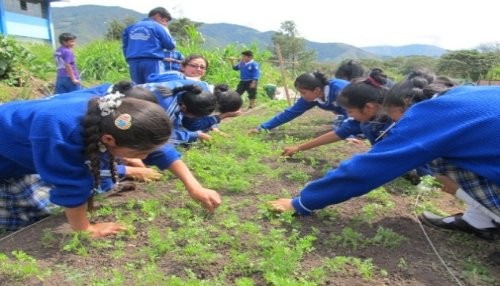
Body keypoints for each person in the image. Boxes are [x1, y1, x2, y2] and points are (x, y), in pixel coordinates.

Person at [269, 75, 500, 245]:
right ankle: (479, 219)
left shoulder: (427, 115)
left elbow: (369, 168)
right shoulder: (461, 94)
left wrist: (302, 202)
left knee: (438, 160)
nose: (398, 124)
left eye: (396, 118)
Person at [281, 69, 391, 157]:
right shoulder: (362, 120)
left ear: (368, 107)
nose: (348, 115)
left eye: (350, 111)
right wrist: (299, 148)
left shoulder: (397, 123)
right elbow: (338, 134)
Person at [249, 71, 349, 133]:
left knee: (343, 128)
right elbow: (290, 113)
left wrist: (350, 133)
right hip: (345, 112)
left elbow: (351, 111)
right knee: (339, 125)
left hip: (359, 110)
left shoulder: (338, 90)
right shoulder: (311, 97)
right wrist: (262, 128)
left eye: (303, 92)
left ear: (317, 90)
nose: (302, 96)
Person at [122, 7, 176, 84]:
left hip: (133, 62)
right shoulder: (157, 26)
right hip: (152, 61)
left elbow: (125, 47)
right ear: (157, 16)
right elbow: (170, 45)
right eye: (165, 21)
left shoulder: (130, 28)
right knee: (155, 87)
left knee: (137, 88)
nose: (166, 24)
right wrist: (166, 31)